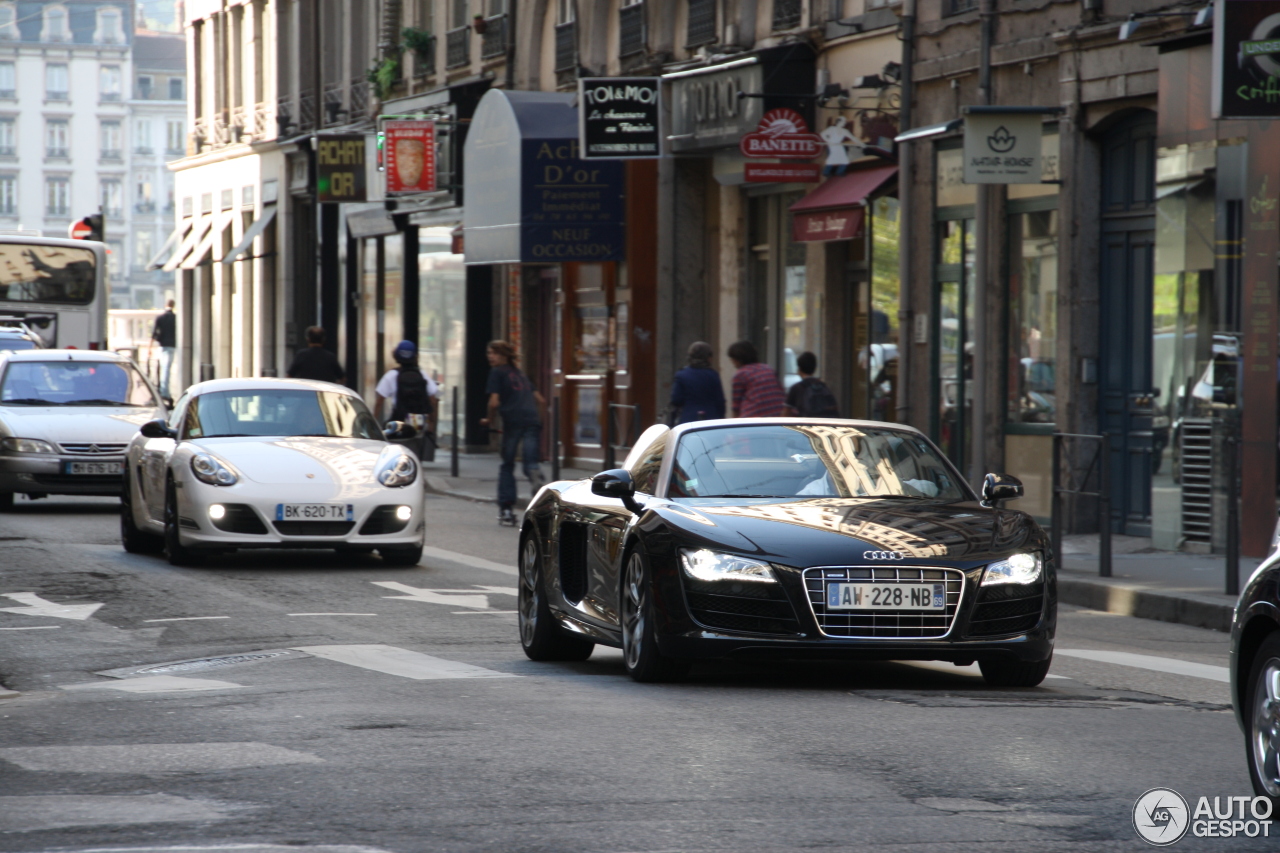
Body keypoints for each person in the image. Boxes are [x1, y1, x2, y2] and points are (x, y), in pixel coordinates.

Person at [480, 340, 545, 526]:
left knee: (507, 464)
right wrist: (539, 422)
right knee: (531, 463)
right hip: (531, 419)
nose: (490, 357)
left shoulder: (497, 373)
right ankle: (537, 487)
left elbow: (493, 402)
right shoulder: (520, 373)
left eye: (494, 353)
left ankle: (507, 508)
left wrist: (488, 420)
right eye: (489, 353)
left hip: (513, 421)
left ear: (504, 356)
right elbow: (540, 400)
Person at [374, 340, 439, 459]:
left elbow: (379, 402)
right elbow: (433, 400)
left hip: (399, 420)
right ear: (415, 356)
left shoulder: (391, 375)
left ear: (397, 356)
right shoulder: (422, 375)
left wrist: (373, 425)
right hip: (419, 421)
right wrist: (431, 424)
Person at [669, 341, 725, 424]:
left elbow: (676, 399)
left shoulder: (681, 375)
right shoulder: (713, 375)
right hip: (711, 419)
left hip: (688, 419)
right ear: (708, 357)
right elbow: (720, 401)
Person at [728, 340, 786, 418]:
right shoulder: (768, 369)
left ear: (738, 359)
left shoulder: (740, 375)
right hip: (778, 414)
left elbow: (736, 406)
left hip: (754, 417)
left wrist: (734, 425)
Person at [786, 351, 840, 418]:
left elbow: (785, 414)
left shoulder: (796, 388)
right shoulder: (823, 386)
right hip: (825, 425)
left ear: (799, 369)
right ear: (814, 369)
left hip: (806, 426)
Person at [151, 299, 176, 400]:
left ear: (165, 305)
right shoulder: (175, 318)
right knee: (167, 368)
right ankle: (165, 391)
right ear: (173, 306)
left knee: (163, 368)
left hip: (162, 346)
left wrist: (150, 348)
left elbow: (154, 333)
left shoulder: (160, 318)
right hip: (172, 345)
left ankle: (163, 391)